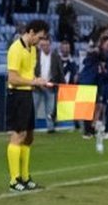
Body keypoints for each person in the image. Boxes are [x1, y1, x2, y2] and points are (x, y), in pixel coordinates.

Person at [5, 19, 51, 192]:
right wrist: (33, 81)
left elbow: (28, 74)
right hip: (17, 95)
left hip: (28, 93)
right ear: (31, 32)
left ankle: (25, 177)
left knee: (29, 136)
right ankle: (14, 180)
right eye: (39, 37)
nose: (40, 41)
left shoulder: (32, 49)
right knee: (19, 134)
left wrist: (38, 81)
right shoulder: (16, 49)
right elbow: (12, 78)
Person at [33, 32, 64, 133]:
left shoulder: (56, 57)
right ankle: (30, 128)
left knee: (50, 108)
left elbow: (60, 72)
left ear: (50, 45)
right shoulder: (35, 56)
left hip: (50, 85)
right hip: (37, 85)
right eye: (42, 45)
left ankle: (50, 128)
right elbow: (31, 70)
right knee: (34, 108)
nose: (45, 47)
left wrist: (62, 85)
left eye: (46, 45)